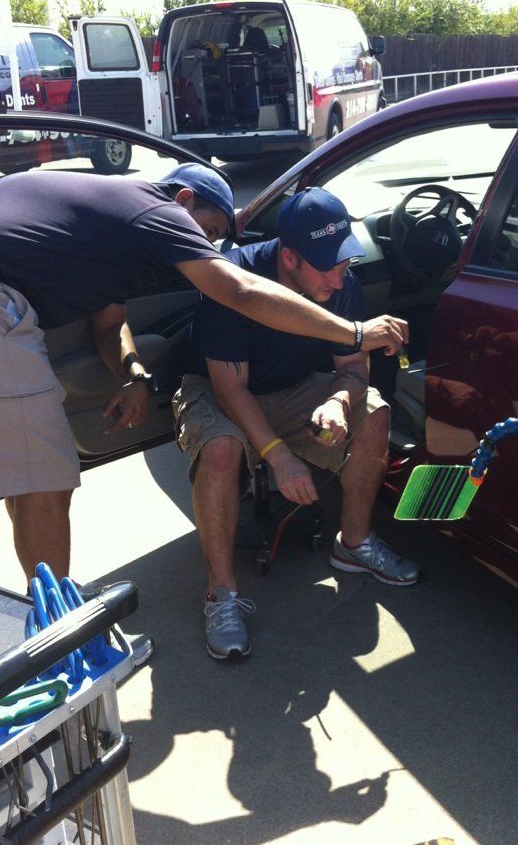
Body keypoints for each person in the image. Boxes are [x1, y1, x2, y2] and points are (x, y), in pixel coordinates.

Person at [0, 165, 408, 584]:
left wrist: (136, 376)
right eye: (206, 230)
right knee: (46, 478)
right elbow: (239, 290)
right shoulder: (154, 209)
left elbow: (109, 327)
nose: (204, 245)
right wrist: (354, 332)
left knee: (28, 476)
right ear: (184, 200)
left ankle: (46, 604)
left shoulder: (112, 235)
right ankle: (61, 634)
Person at [173, 187, 420, 660]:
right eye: (326, 265)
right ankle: (221, 595)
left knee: (375, 411)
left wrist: (339, 404)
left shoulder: (340, 281)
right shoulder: (234, 278)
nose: (338, 274)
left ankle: (353, 542)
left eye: (343, 260)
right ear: (288, 257)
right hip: (218, 388)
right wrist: (279, 457)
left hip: (291, 387)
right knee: (222, 449)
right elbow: (230, 388)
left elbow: (352, 370)